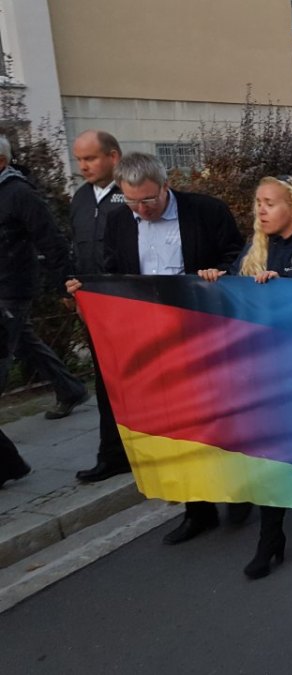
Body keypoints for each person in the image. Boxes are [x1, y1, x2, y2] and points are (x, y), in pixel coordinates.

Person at [68, 150, 245, 539]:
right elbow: (113, 273)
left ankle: (238, 492)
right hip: (153, 338)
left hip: (205, 331)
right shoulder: (119, 221)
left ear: (166, 186)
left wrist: (221, 272)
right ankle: (197, 510)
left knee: (218, 417)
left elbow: (239, 255)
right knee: (174, 424)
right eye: (132, 201)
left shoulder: (205, 211)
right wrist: (89, 291)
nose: (142, 210)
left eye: (148, 200)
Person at [198, 175, 292, 578]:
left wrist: (289, 292)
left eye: (270, 203)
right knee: (270, 454)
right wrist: (217, 281)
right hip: (262, 372)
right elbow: (235, 298)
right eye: (258, 203)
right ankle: (271, 537)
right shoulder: (254, 250)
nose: (261, 210)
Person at [0, 135, 79, 488]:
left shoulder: (19, 193)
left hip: (11, 288)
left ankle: (5, 463)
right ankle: (70, 387)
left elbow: (51, 238)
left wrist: (65, 283)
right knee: (26, 341)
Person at [64, 130, 128, 480]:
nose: (83, 166)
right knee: (105, 383)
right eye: (79, 160)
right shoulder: (81, 199)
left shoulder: (131, 194)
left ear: (113, 157)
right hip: (95, 307)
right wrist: (75, 288)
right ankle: (112, 454)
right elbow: (78, 248)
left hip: (130, 305)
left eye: (89, 158)